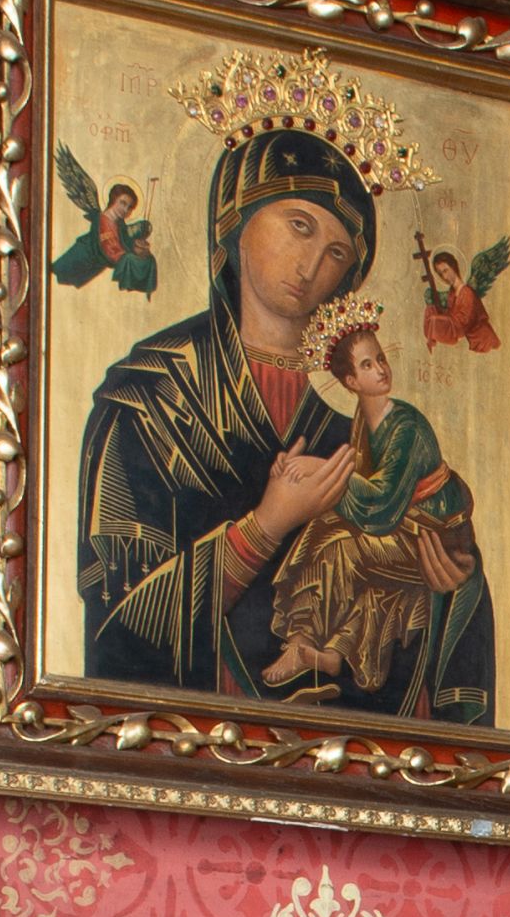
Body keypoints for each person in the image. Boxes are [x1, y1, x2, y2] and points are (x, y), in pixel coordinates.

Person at [78, 122, 372, 692]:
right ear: (235, 221)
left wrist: (448, 577)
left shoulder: (356, 414)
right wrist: (264, 528)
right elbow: (117, 626)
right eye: (299, 226)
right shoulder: (150, 394)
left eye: (336, 252)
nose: (311, 264)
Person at [260, 309, 495, 712]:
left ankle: (307, 643)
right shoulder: (363, 422)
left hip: (433, 539)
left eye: (381, 359)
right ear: (350, 382)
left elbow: (382, 504)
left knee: (343, 549)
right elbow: (365, 497)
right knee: (321, 529)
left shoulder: (407, 426)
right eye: (367, 365)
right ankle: (313, 647)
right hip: (405, 530)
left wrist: (319, 469)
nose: (381, 369)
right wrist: (299, 473)